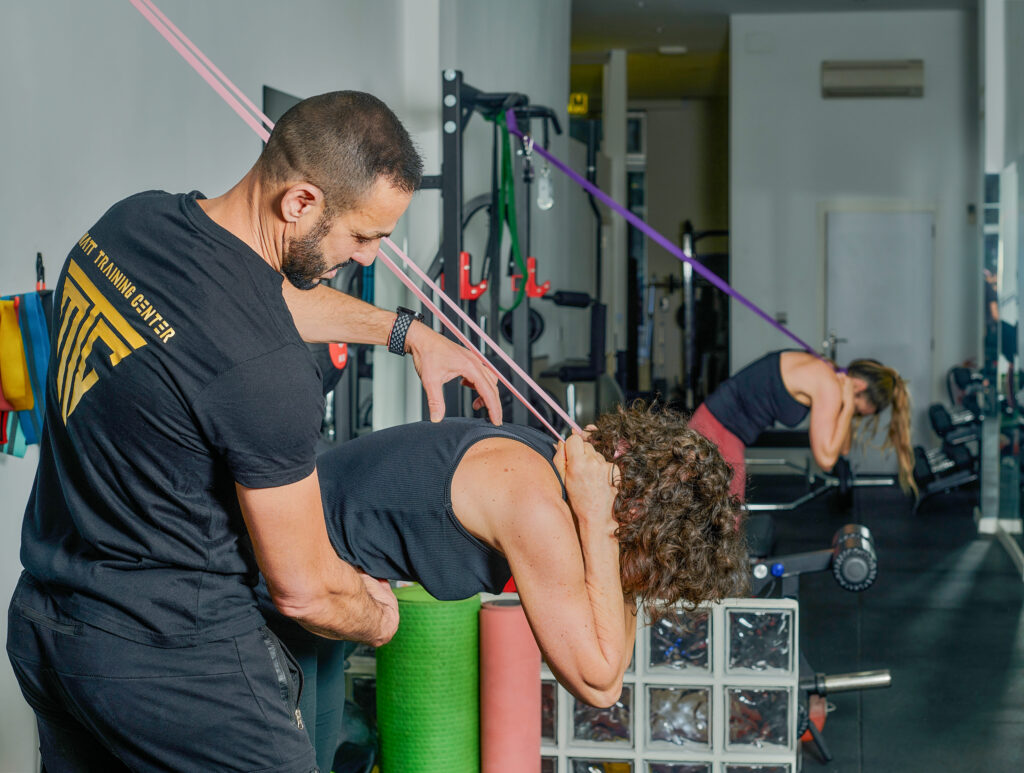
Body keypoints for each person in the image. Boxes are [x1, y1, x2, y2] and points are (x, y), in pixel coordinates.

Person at [7, 91, 502, 772]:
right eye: (362, 237)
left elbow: (267, 301)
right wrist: (379, 614)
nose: (365, 258)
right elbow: (305, 588)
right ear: (300, 202)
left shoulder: (129, 225)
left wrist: (406, 333)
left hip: (48, 626)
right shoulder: (267, 374)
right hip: (175, 663)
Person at [263, 404, 750, 769]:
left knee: (319, 758)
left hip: (323, 604)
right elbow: (600, 684)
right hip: (270, 575)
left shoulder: (560, 486)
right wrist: (600, 522)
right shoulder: (536, 506)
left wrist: (601, 522)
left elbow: (616, 658)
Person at [688, 350, 915, 501]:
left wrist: (848, 405)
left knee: (715, 520)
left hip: (719, 428)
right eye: (857, 409)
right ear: (859, 386)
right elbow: (826, 460)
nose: (852, 414)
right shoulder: (828, 384)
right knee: (721, 522)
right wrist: (847, 408)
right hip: (716, 431)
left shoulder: (827, 373)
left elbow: (843, 449)